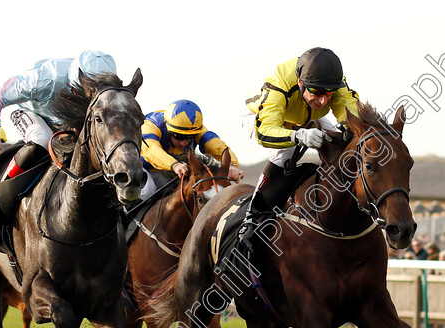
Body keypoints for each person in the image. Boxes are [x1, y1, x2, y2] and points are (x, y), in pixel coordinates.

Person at [238, 47, 360, 244]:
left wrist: (349, 129)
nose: (323, 100)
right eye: (316, 92)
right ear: (300, 83)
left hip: (304, 116)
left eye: (329, 93)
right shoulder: (279, 84)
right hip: (263, 119)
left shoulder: (335, 83)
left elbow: (351, 113)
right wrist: (298, 136)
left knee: (341, 141)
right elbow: (265, 131)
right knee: (285, 151)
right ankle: (252, 216)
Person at [0, 50, 117, 224]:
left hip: (64, 118)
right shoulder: (43, 80)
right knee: (42, 137)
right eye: (83, 94)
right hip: (28, 110)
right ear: (74, 84)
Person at [139, 99, 243, 199]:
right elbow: (151, 150)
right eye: (178, 136)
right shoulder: (151, 125)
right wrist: (175, 165)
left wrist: (232, 165)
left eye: (189, 138)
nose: (183, 143)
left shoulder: (196, 130)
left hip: (172, 171)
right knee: (148, 190)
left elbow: (218, 146)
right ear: (168, 129)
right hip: (142, 167)